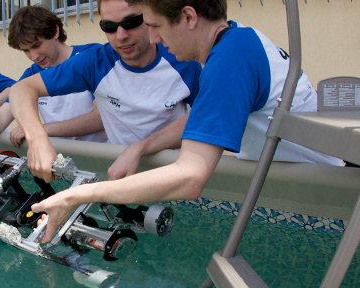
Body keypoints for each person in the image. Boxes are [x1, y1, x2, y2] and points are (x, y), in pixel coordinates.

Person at [21, 0, 343, 243]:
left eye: (156, 25)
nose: (155, 38)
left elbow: (190, 177)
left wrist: (75, 196)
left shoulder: (229, 61)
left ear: (189, 17)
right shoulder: (237, 40)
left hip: (337, 203)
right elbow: (201, 120)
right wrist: (140, 146)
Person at [8, 0, 201, 182]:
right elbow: (21, 89)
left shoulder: (181, 58)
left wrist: (141, 148)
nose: (121, 35)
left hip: (172, 172)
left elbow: (207, 114)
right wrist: (38, 139)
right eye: (109, 27)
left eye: (131, 22)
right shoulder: (96, 62)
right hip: (120, 172)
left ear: (150, 18)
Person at [0, 6, 106, 157]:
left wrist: (38, 130)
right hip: (62, 160)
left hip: (105, 158)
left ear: (55, 31)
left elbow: (101, 118)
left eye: (37, 45)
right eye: (26, 50)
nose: (34, 56)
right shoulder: (31, 74)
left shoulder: (92, 57)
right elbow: (1, 117)